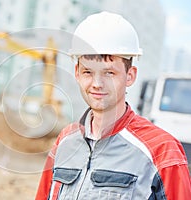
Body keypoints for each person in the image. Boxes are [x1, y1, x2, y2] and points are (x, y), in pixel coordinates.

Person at [35, 11, 191, 200]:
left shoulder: (162, 150)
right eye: (88, 72)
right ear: (76, 73)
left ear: (130, 75)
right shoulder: (65, 142)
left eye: (109, 73)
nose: (97, 83)